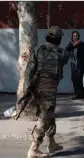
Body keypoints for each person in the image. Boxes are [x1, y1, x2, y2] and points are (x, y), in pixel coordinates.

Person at [26, 26, 70, 158]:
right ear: (58, 39)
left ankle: (52, 143)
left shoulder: (38, 50)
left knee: (49, 115)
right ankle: (33, 149)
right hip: (49, 89)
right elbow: (65, 58)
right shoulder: (61, 53)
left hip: (37, 88)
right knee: (44, 118)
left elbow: (29, 69)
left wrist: (28, 87)